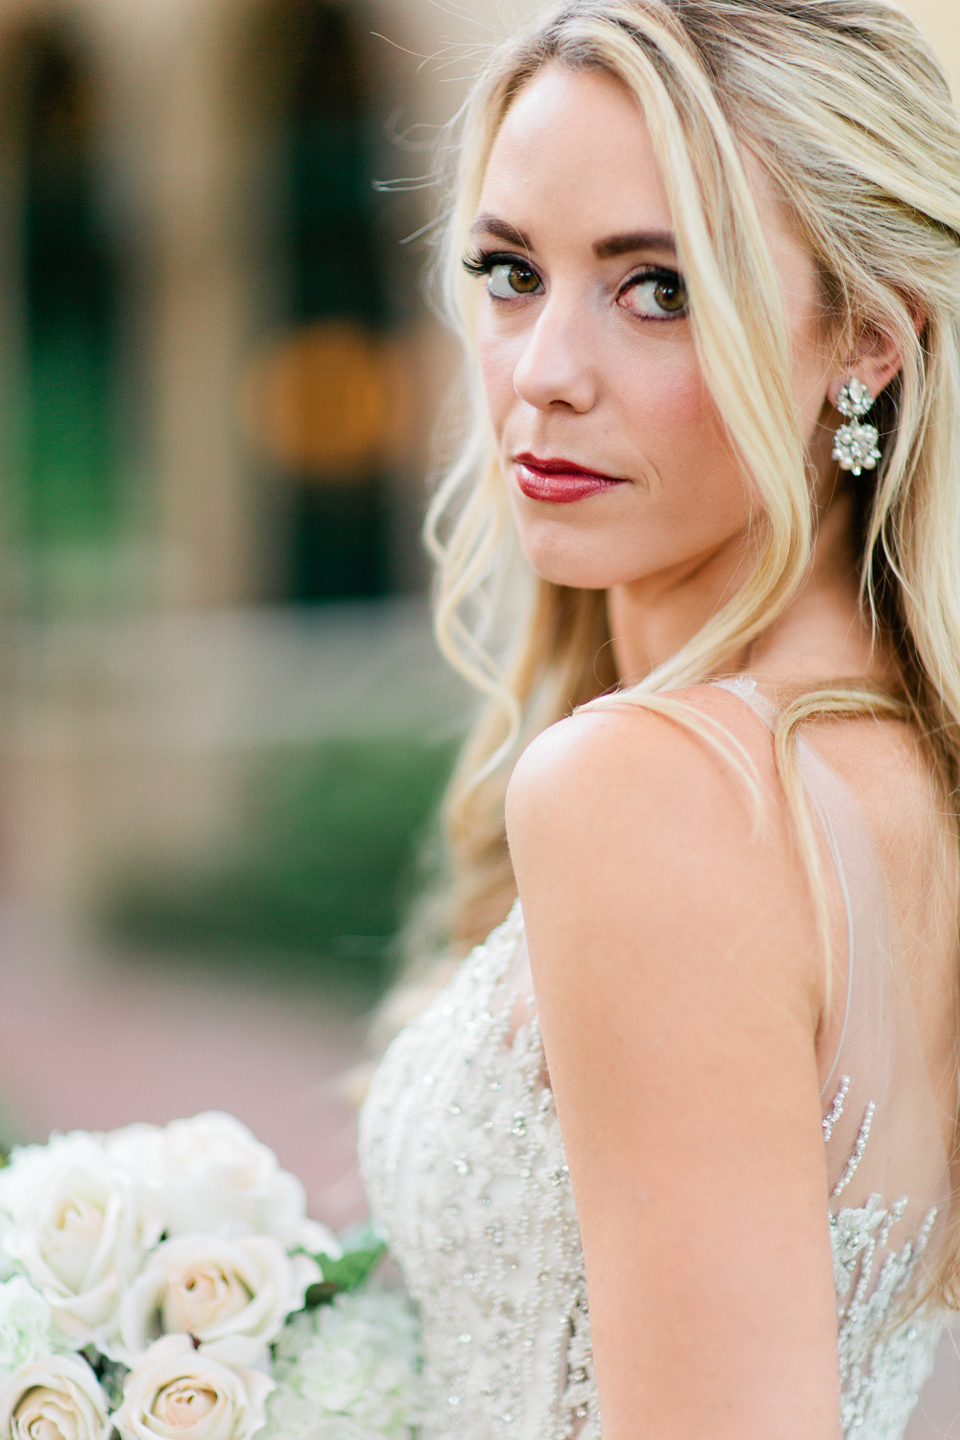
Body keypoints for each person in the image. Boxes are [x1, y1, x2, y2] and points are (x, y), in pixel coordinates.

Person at [358, 2, 960, 1436]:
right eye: (509, 273)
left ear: (866, 344)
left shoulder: (652, 791)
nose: (542, 372)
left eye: (658, 290)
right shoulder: (904, 777)